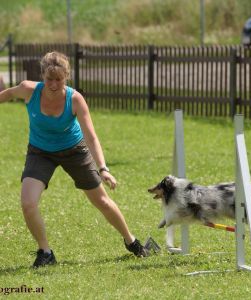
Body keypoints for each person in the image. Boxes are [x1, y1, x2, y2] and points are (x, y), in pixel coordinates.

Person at [0, 51, 148, 268]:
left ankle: (131, 241)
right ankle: (46, 252)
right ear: (42, 76)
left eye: (58, 80)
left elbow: (91, 136)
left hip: (74, 151)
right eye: (49, 79)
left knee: (102, 201)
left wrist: (103, 168)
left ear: (66, 77)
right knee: (28, 203)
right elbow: (6, 95)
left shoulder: (75, 99)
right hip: (40, 152)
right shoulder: (28, 90)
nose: (52, 84)